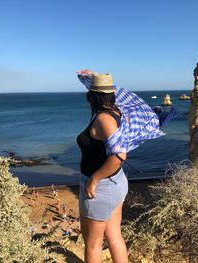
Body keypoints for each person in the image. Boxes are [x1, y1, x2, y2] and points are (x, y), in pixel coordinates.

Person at [77, 70, 128, 263]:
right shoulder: (116, 109)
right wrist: (93, 76)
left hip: (101, 187)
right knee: (114, 236)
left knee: (93, 243)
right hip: (115, 183)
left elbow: (119, 155)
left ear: (92, 97)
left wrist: (94, 180)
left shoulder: (104, 119)